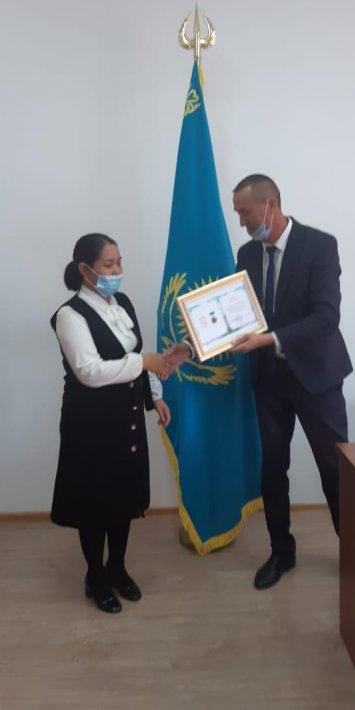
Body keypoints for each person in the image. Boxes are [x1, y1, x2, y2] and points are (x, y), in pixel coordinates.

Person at [51, 233, 186, 613]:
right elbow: (89, 371)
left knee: (123, 498)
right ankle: (95, 576)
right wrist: (145, 362)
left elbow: (136, 356)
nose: (117, 271)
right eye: (108, 265)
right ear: (85, 270)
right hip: (90, 423)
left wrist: (155, 395)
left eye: (119, 262)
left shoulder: (122, 303)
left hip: (126, 417)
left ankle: (118, 568)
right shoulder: (69, 315)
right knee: (95, 503)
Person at [231, 175, 352, 590]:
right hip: (268, 380)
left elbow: (326, 317)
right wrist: (207, 338)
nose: (241, 222)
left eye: (245, 212)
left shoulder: (320, 245)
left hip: (317, 377)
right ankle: (281, 552)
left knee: (335, 468)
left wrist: (270, 339)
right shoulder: (247, 253)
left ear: (270, 204)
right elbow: (239, 314)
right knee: (272, 468)